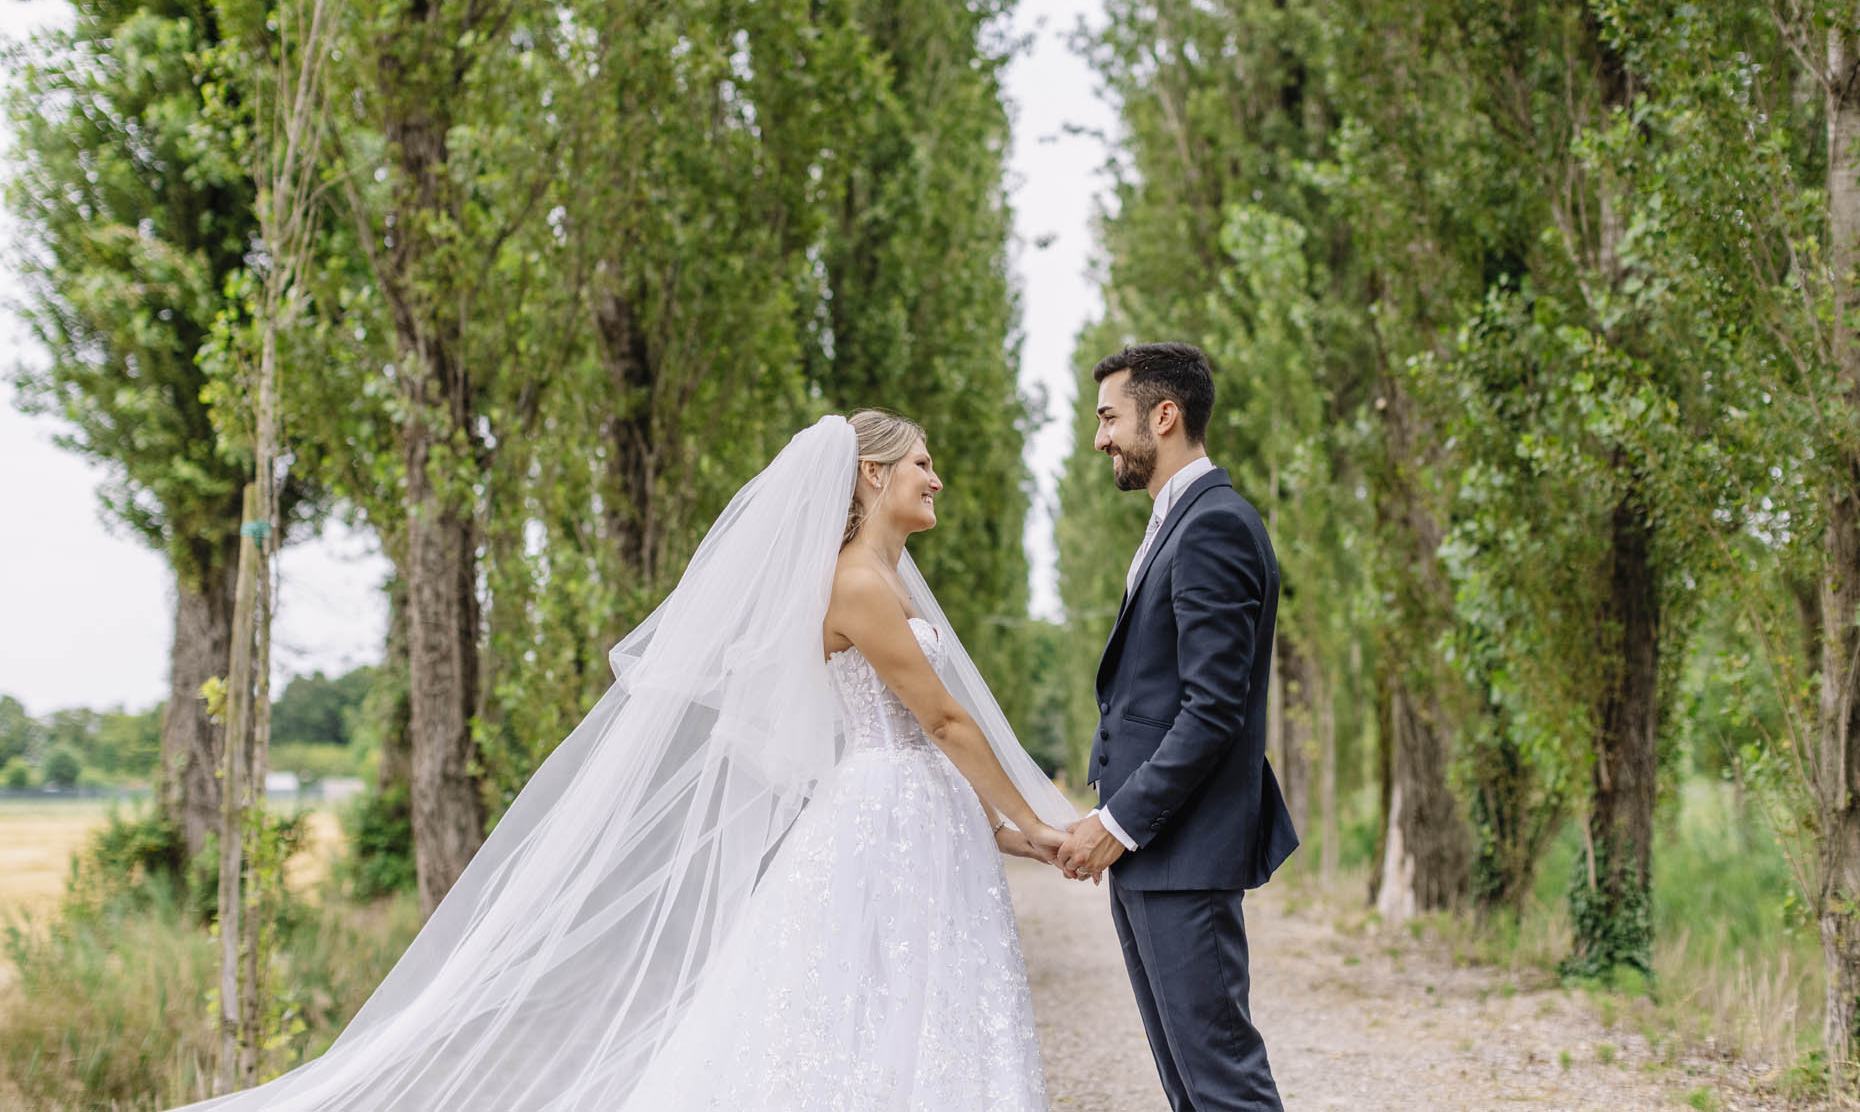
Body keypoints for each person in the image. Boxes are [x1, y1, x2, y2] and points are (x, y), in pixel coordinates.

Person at [176, 411, 1076, 1111]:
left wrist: (1003, 830)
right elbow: (945, 722)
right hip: (888, 817)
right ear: (873, 474)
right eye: (923, 462)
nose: (939, 478)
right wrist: (1035, 819)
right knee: (870, 1006)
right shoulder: (855, 583)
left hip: (907, 813)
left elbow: (918, 741)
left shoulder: (873, 580)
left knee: (903, 1001)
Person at [1057, 341, 1298, 1112]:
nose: (1100, 439)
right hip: (1156, 857)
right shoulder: (1177, 521)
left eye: (1108, 417)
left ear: (1165, 416)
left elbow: (1212, 711)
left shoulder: (1213, 526)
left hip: (1181, 855)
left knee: (1223, 1086)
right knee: (1191, 1088)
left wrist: (1118, 824)